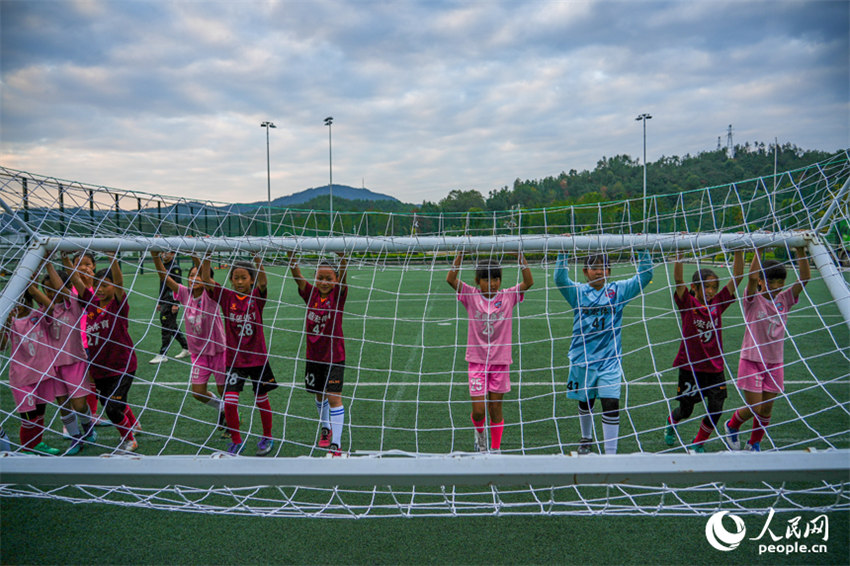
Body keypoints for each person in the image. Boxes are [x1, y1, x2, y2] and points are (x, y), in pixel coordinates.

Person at [554, 249, 653, 455]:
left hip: (610, 361)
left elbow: (646, 276)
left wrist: (643, 250)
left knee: (610, 402)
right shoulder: (577, 292)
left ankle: (610, 454)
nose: (599, 272)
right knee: (586, 400)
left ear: (609, 270)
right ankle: (586, 437)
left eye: (604, 267)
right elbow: (560, 278)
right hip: (583, 360)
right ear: (585, 271)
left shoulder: (618, 291)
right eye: (595, 267)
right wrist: (563, 251)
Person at [724, 247, 810, 451]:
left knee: (767, 407)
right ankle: (732, 425)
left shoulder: (785, 299)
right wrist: (758, 250)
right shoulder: (753, 300)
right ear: (763, 281)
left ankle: (754, 443)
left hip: (775, 363)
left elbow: (804, 278)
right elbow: (752, 278)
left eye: (781, 282)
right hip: (751, 360)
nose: (777, 286)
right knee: (756, 407)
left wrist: (800, 250)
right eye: (772, 281)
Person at [446, 252, 533, 453]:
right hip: (476, 362)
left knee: (495, 409)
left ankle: (494, 449)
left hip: (500, 363)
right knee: (478, 411)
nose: (492, 283)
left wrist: (520, 257)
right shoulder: (470, 295)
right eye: (486, 279)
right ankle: (480, 436)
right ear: (478, 281)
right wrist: (461, 255)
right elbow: (450, 279)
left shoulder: (508, 296)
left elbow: (528, 282)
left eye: (496, 278)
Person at [664, 250, 744, 452]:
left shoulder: (718, 304)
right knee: (686, 409)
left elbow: (738, 277)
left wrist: (739, 252)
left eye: (714, 287)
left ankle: (698, 443)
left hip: (714, 368)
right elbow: (678, 279)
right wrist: (679, 255)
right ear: (694, 287)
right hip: (691, 368)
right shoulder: (688, 303)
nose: (711, 291)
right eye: (706, 286)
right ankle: (672, 420)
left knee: (717, 407)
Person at [203, 255, 278, 456]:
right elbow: (206, 281)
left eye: (244, 278)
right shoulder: (226, 297)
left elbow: (263, 282)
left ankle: (267, 437)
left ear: (251, 280)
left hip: (257, 358)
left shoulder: (256, 297)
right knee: (230, 400)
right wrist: (204, 258)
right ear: (231, 280)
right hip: (234, 360)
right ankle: (237, 441)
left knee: (261, 398)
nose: (239, 282)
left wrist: (259, 260)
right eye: (235, 278)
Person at [152, 252, 226, 429]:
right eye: (191, 276)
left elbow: (206, 276)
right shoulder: (185, 294)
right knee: (198, 393)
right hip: (198, 353)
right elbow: (164, 276)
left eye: (198, 275)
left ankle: (231, 419)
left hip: (218, 351)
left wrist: (198, 256)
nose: (194, 278)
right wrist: (155, 255)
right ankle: (221, 407)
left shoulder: (211, 294)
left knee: (224, 390)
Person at [288, 252, 350, 456]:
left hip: (334, 356)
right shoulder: (311, 293)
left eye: (328, 278)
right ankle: (325, 428)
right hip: (313, 356)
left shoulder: (338, 295)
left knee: (334, 398)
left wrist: (343, 259)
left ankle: (337, 444)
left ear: (335, 280)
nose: (324, 282)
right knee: (319, 394)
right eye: (320, 278)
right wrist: (291, 256)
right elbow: (296, 276)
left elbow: (344, 275)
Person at [80, 252, 140, 453]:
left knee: (114, 408)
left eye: (105, 285)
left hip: (122, 366)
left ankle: (129, 439)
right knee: (111, 406)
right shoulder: (91, 304)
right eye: (97, 285)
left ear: (113, 287)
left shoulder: (118, 305)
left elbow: (120, 281)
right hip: (99, 368)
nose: (101, 289)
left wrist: (113, 258)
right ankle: (133, 426)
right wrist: (65, 261)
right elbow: (78, 283)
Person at [42, 261, 98, 454]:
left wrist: (49, 265)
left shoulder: (72, 304)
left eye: (54, 289)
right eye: (46, 291)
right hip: (53, 365)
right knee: (63, 404)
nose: (51, 294)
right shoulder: (45, 310)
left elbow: (61, 289)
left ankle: (88, 426)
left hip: (74, 361)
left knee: (79, 404)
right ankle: (75, 439)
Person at [2, 285, 61, 455]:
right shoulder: (10, 322)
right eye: (15, 301)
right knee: (29, 418)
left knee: (40, 415)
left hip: (43, 374)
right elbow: (2, 346)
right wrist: (5, 325)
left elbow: (51, 307)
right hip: (22, 378)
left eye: (22, 299)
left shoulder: (38, 315)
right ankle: (26, 450)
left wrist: (32, 287)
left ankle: (38, 443)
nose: (18, 304)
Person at [64, 251, 107, 426]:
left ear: (94, 267)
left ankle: (92, 415)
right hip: (73, 342)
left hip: (94, 341)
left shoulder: (99, 289)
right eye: (78, 264)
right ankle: (72, 422)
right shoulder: (70, 288)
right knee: (76, 381)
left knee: (93, 378)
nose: (83, 267)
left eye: (88, 264)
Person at [150, 251, 189, 364]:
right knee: (171, 326)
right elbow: (162, 286)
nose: (164, 255)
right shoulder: (163, 266)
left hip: (170, 301)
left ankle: (163, 354)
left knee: (166, 327)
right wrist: (159, 301)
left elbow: (178, 286)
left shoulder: (175, 268)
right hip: (164, 300)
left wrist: (176, 303)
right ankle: (186, 348)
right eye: (162, 252)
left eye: (166, 252)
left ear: (172, 254)